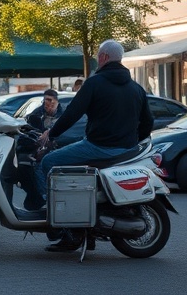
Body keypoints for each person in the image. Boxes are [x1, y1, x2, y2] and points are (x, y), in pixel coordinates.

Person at [34, 40, 153, 252]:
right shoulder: (136, 88)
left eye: (98, 56)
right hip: (126, 150)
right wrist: (132, 143)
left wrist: (50, 134)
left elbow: (72, 113)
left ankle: (60, 224)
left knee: (49, 162)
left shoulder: (95, 83)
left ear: (104, 58)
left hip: (99, 147)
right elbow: (148, 122)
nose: (97, 59)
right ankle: (82, 227)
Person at [15, 89, 64, 211]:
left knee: (41, 164)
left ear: (57, 102)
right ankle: (40, 197)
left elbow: (66, 135)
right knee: (30, 165)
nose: (48, 104)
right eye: (45, 101)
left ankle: (44, 197)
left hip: (58, 148)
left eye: (51, 101)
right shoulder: (37, 115)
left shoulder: (63, 115)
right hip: (39, 148)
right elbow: (27, 134)